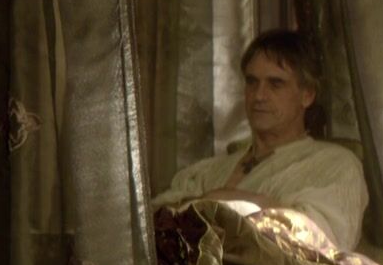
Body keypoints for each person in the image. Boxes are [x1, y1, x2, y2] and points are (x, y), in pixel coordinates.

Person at [151, 29, 368, 250]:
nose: (259, 95)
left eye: (276, 84)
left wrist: (224, 202)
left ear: (307, 94)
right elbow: (151, 223)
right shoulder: (207, 171)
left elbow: (321, 241)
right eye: (252, 82)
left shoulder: (335, 164)